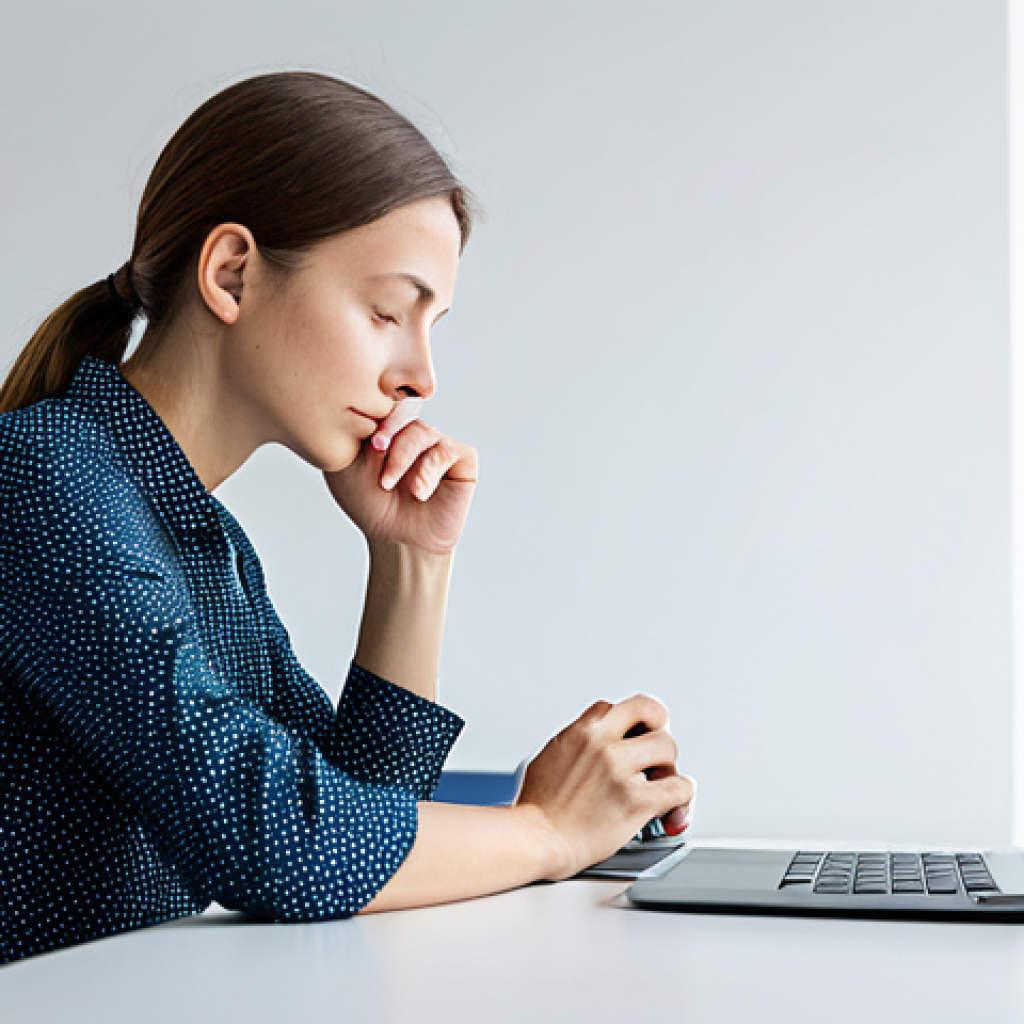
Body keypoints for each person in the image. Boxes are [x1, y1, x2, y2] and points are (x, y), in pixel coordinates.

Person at [0, 70, 695, 967]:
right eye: (386, 312)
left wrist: (411, 563)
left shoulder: (200, 539)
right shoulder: (41, 477)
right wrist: (548, 831)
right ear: (232, 273)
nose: (420, 375)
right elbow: (273, 844)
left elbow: (349, 825)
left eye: (432, 324)